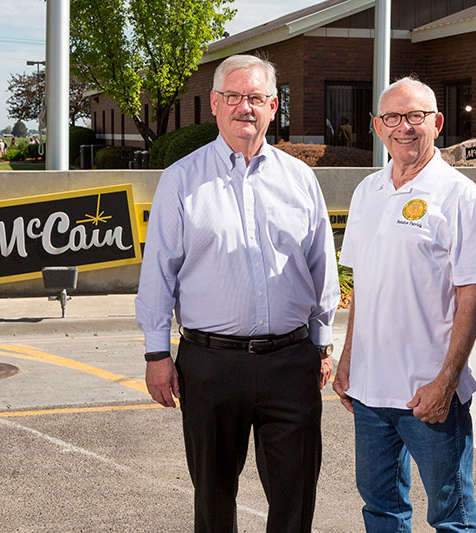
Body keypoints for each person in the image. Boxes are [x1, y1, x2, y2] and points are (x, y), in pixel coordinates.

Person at [135, 54, 340, 533]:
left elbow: (320, 265)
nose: (244, 107)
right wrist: (155, 352)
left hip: (291, 362)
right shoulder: (181, 179)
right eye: (233, 96)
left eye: (255, 98)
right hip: (209, 366)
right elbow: (159, 270)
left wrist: (322, 342)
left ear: (273, 106)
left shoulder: (300, 179)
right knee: (213, 500)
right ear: (214, 104)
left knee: (295, 502)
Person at [333, 77, 476, 531]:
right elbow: (363, 287)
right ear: (377, 127)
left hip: (429, 393)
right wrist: (347, 361)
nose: (404, 127)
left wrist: (446, 381)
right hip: (369, 393)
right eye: (392, 117)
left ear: (438, 123)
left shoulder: (458, 195)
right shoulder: (367, 192)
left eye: (416, 117)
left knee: (451, 517)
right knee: (381, 508)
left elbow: (473, 293)